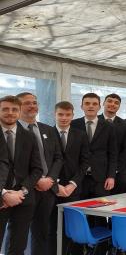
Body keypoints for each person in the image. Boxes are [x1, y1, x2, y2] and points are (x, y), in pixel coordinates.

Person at [16, 93, 64, 255]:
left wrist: (50, 179)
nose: (32, 106)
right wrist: (35, 181)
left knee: (41, 232)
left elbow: (58, 158)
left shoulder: (48, 129)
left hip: (48, 189)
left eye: (35, 102)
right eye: (27, 103)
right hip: (24, 189)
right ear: (19, 107)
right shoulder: (13, 130)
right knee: (18, 235)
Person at [0, 95, 43, 254]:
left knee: (18, 247)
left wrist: (22, 191)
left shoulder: (29, 136)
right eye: (5, 109)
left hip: (23, 199)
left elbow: (37, 169)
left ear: (19, 112)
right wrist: (3, 193)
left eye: (14, 109)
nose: (10, 112)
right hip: (1, 197)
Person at [51, 101, 90, 254]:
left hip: (74, 188)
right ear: (55, 114)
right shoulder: (47, 132)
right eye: (60, 114)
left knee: (73, 227)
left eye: (68, 115)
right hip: (51, 188)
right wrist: (56, 184)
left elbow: (85, 161)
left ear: (73, 116)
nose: (64, 118)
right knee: (51, 227)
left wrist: (73, 183)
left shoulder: (80, 134)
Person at [71, 93, 117, 198]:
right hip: (77, 178)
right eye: (87, 103)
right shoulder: (73, 125)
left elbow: (113, 154)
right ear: (82, 106)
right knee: (79, 209)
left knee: (98, 212)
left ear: (99, 107)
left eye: (94, 104)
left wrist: (111, 176)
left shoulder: (109, 126)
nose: (91, 106)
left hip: (101, 178)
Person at [99, 93, 126, 195]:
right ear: (103, 103)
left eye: (116, 103)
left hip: (118, 171)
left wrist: (115, 168)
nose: (113, 104)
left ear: (119, 106)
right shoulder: (93, 121)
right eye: (109, 101)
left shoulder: (125, 125)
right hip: (97, 170)